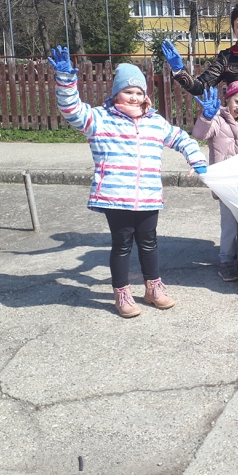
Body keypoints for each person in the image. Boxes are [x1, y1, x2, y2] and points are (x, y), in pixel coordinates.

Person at [48, 48, 207, 318]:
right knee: (122, 244)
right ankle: (122, 292)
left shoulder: (155, 122)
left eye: (138, 92)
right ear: (115, 93)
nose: (133, 97)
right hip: (114, 196)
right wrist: (65, 80)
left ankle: (153, 287)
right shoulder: (98, 118)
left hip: (147, 195)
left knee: (149, 242)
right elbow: (71, 110)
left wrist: (196, 159)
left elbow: (182, 138)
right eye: (127, 91)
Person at [161, 3, 238, 115]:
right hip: (236, 125)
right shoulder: (226, 57)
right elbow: (200, 86)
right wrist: (179, 69)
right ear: (234, 30)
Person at [192, 81, 238, 282]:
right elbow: (199, 134)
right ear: (227, 98)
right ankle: (226, 261)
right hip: (224, 183)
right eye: (237, 102)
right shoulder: (217, 120)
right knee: (229, 227)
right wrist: (206, 116)